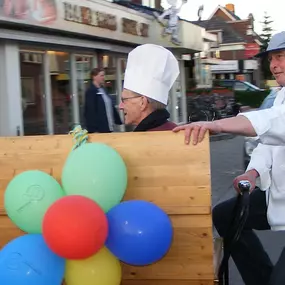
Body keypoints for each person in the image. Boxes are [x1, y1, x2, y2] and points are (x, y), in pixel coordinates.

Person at [174, 31, 285, 285]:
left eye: (280, 57)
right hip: (278, 197)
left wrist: (217, 125)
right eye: (271, 59)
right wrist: (253, 173)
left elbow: (272, 123)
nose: (273, 65)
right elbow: (268, 142)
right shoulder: (280, 95)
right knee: (225, 215)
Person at [119, 43, 179, 132]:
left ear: (142, 103)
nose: (120, 106)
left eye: (124, 100)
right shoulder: (174, 130)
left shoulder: (145, 141)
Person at [84, 68, 122, 133]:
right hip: (99, 129)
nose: (103, 77)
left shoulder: (103, 90)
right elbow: (90, 111)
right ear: (94, 77)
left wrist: (117, 120)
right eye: (101, 75)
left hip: (109, 127)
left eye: (104, 75)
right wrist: (93, 129)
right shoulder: (91, 91)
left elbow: (110, 106)